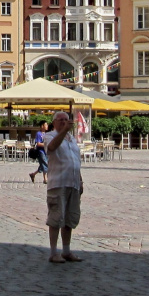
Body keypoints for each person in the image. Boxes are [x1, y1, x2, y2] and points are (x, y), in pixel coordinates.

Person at [44, 111, 84, 263]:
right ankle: (54, 252)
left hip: (72, 182)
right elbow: (52, 148)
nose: (63, 122)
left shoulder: (72, 139)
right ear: (54, 122)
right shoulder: (50, 136)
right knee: (56, 217)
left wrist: (80, 180)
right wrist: (64, 130)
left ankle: (66, 251)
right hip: (58, 183)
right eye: (60, 120)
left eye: (66, 120)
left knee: (70, 218)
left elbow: (76, 161)